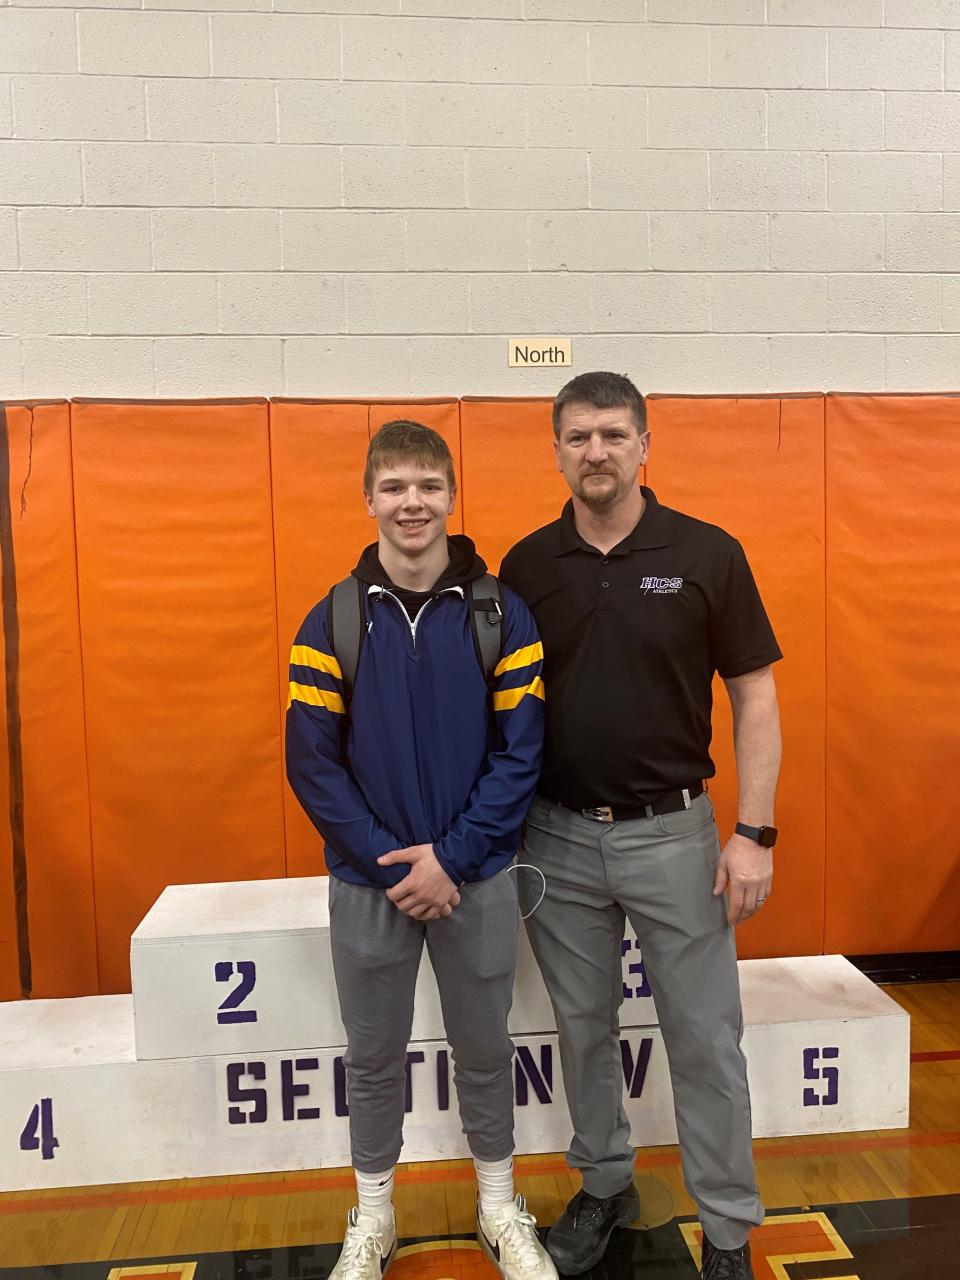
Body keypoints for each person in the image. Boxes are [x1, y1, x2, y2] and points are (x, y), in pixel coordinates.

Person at [500, 372, 783, 1280]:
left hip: (676, 839)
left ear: (646, 444)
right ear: (555, 451)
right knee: (583, 1028)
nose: (596, 453)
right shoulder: (528, 566)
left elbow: (755, 696)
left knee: (705, 1039)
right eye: (578, 437)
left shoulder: (707, 554)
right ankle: (606, 1182)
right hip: (557, 840)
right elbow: (502, 707)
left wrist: (755, 832)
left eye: (613, 435)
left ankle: (729, 1229)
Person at [285, 420, 556, 1280]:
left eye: (429, 486)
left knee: (484, 1051)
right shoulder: (330, 618)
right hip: (371, 886)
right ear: (368, 498)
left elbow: (523, 752)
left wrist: (453, 858)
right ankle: (372, 1218)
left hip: (473, 878)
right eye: (395, 487)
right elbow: (310, 764)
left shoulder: (501, 612)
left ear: (451, 496)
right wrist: (390, 864)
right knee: (372, 1057)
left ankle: (498, 1207)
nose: (413, 503)